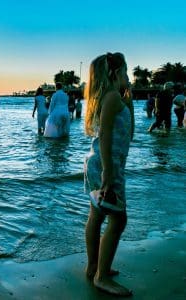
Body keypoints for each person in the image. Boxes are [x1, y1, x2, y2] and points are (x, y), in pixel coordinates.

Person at [84, 52, 134, 297]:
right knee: (118, 219)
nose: (129, 76)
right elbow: (104, 136)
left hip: (99, 164)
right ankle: (101, 277)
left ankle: (94, 266)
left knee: (97, 214)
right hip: (107, 166)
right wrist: (109, 172)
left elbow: (128, 134)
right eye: (126, 71)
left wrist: (131, 101)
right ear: (115, 74)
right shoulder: (113, 97)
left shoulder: (112, 98)